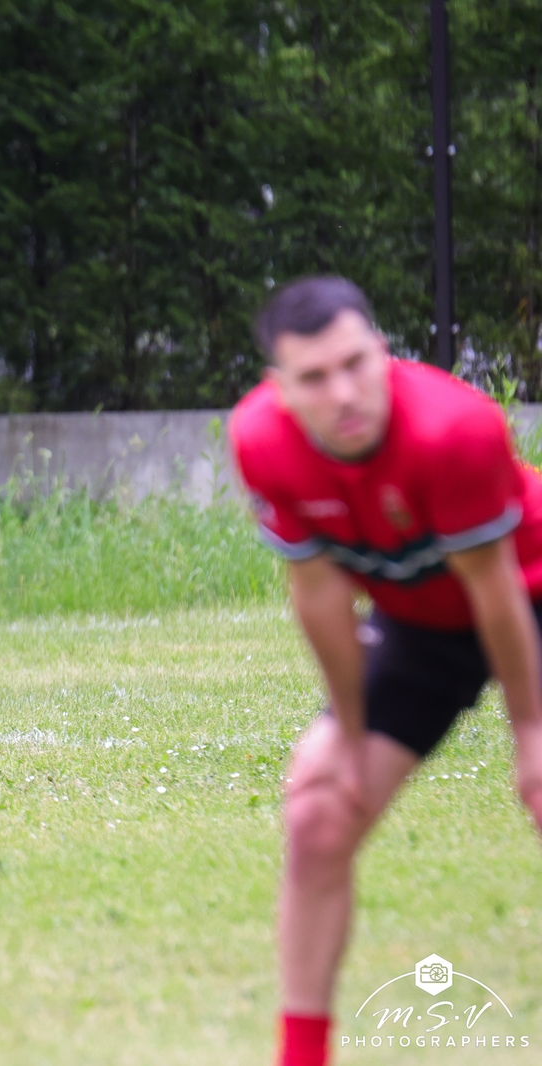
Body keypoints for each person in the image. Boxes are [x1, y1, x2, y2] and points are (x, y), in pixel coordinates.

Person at [229, 276, 542, 1066]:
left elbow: (496, 591)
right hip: (422, 623)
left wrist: (531, 732)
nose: (343, 394)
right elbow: (321, 598)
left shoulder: (454, 429)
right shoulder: (261, 442)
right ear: (280, 389)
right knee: (319, 814)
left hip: (525, 593)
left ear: (382, 352)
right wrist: (348, 733)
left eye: (355, 365)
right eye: (314, 378)